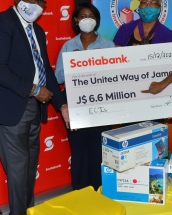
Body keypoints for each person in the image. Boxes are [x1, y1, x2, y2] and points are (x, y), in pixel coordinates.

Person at [0, 1, 69, 215]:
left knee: (29, 168)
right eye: (32, 0)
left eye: (41, 2)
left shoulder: (37, 30)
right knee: (19, 170)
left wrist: (62, 105)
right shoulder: (0, 23)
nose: (36, 5)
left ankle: (27, 212)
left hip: (32, 107)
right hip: (8, 107)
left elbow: (45, 68)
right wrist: (34, 89)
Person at [55, 3, 114, 191]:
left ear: (96, 20)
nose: (86, 19)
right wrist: (74, 64)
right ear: (76, 20)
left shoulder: (108, 45)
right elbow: (57, 77)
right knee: (79, 151)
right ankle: (79, 192)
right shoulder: (68, 46)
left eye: (91, 16)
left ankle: (99, 191)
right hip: (75, 104)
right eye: (82, 16)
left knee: (98, 151)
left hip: (101, 104)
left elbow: (116, 76)